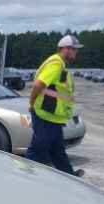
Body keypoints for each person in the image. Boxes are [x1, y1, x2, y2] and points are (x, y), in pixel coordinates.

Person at [26, 35, 85, 177]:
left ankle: (69, 176)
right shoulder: (56, 65)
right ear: (65, 49)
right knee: (37, 150)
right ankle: (23, 175)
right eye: (74, 49)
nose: (76, 52)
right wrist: (32, 103)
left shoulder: (59, 64)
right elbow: (38, 85)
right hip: (46, 116)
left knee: (57, 150)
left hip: (53, 117)